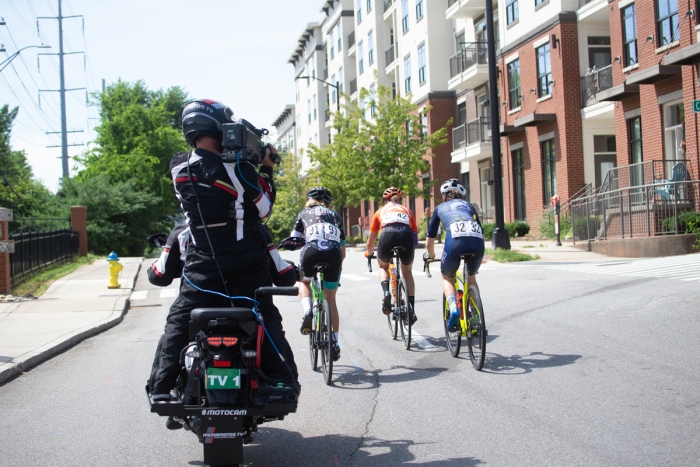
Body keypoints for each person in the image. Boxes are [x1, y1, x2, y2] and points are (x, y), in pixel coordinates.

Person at [148, 99, 298, 410]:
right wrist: (265, 167)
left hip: (202, 271)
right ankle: (282, 383)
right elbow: (264, 207)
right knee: (266, 320)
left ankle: (162, 388)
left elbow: (207, 175)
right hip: (246, 269)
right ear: (218, 127)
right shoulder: (240, 169)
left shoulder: (178, 167)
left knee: (177, 322)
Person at [147, 224, 298, 288]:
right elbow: (283, 276)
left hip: (199, 298)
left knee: (173, 336)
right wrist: (293, 271)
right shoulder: (255, 229)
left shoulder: (183, 232)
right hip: (247, 299)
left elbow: (159, 275)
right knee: (274, 338)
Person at [291, 187, 346, 361]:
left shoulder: (303, 214)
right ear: (329, 203)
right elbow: (343, 252)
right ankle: (334, 343)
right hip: (333, 254)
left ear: (309, 201)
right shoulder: (336, 216)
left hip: (311, 251)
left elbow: (294, 239)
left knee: (304, 282)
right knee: (330, 300)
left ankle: (308, 311)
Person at [423, 178, 485, 333]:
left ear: (444, 196)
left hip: (455, 242)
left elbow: (429, 243)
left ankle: (453, 308)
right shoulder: (470, 206)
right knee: (471, 278)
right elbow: (481, 232)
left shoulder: (440, 208)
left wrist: (431, 255)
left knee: (447, 277)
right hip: (477, 243)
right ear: (462, 196)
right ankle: (477, 322)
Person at [364, 187, 418, 323]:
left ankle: (386, 292)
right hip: (406, 236)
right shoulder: (408, 211)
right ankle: (411, 308)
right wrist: (410, 251)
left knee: (383, 267)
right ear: (401, 200)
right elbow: (415, 239)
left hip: (387, 234)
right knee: (407, 272)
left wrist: (368, 253)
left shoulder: (380, 211)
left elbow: (371, 241)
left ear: (384, 201)